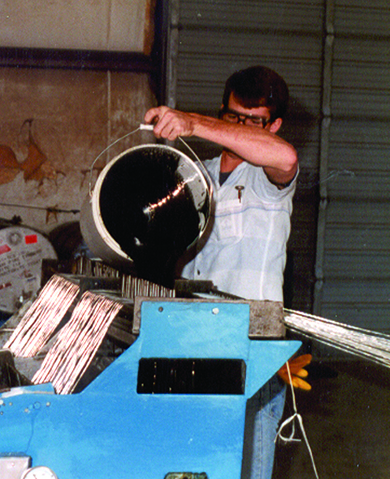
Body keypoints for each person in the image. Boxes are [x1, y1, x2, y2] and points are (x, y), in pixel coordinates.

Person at [145, 65, 299, 479]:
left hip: (251, 346)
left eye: (255, 122)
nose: (241, 128)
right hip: (196, 340)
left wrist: (193, 123)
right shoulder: (202, 175)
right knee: (196, 465)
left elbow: (285, 157)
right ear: (222, 111)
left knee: (247, 468)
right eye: (233, 117)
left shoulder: (268, 180)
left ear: (275, 125)